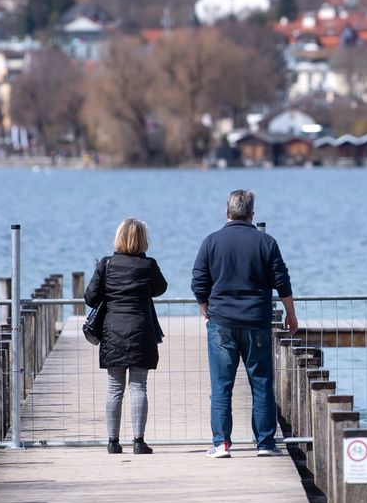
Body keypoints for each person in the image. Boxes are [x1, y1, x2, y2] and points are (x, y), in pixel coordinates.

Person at [192, 190, 298, 458]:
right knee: (261, 384)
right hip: (256, 322)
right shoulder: (266, 242)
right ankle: (265, 444)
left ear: (227, 211)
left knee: (221, 386)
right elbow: (282, 281)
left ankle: (221, 444)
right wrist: (291, 314)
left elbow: (198, 283)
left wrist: (207, 311)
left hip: (221, 323)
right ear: (252, 213)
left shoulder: (211, 242)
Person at [85, 218, 167, 455]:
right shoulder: (148, 265)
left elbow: (90, 298)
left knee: (114, 389)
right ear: (143, 240)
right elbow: (161, 289)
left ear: (119, 238)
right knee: (139, 387)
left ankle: (112, 442)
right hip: (142, 332)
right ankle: (139, 442)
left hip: (113, 334)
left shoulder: (106, 264)